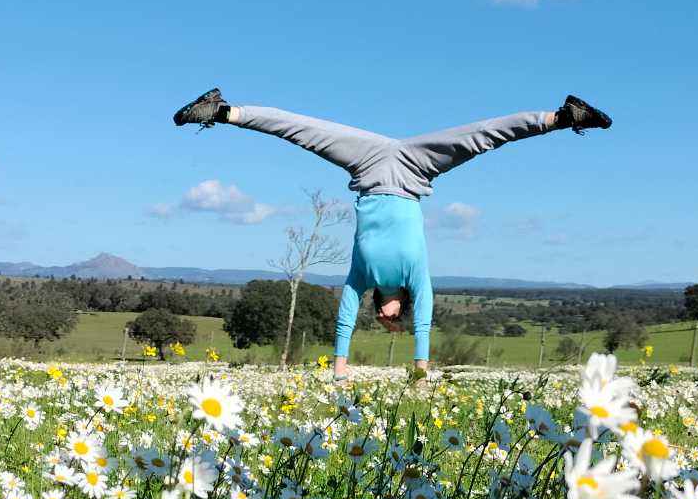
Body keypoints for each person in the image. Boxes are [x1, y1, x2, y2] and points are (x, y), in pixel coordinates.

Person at [172, 87, 611, 378]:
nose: (387, 319)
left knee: (303, 132)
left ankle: (223, 111)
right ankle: (565, 116)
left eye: (384, 319)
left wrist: (339, 372)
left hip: (367, 168)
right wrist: (419, 371)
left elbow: (344, 319)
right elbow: (425, 324)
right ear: (403, 306)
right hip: (416, 168)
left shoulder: (361, 278)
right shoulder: (416, 278)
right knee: (483, 136)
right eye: (393, 319)